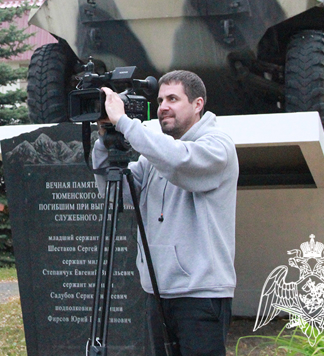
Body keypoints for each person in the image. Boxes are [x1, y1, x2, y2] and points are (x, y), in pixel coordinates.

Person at [92, 70, 238, 356]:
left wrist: (125, 123)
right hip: (157, 293)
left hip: (201, 295)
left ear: (197, 104)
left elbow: (179, 161)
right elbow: (119, 192)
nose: (162, 107)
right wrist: (104, 139)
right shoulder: (153, 156)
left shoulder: (218, 146)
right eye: (159, 100)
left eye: (173, 98)